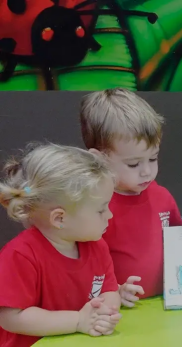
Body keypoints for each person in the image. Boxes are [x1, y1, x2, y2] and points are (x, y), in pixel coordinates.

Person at [0, 143, 122, 347]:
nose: (110, 215)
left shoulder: (97, 246)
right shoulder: (20, 256)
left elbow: (109, 291)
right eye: (101, 210)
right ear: (59, 219)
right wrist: (78, 321)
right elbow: (11, 317)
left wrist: (104, 313)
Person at [80, 88, 182, 306]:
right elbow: (83, 266)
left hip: (164, 307)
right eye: (133, 164)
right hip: (117, 313)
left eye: (153, 158)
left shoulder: (162, 197)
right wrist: (114, 291)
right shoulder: (95, 208)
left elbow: (180, 245)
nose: (147, 171)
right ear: (99, 160)